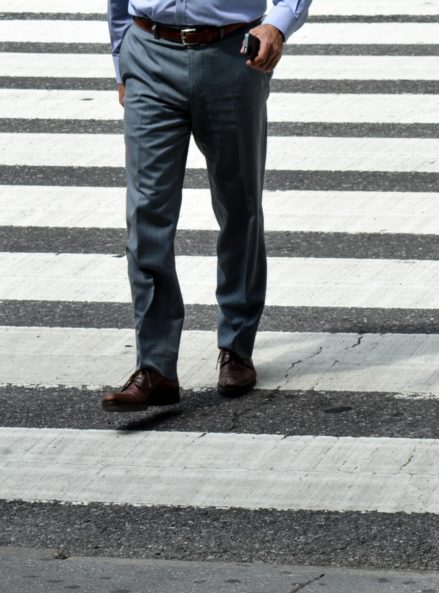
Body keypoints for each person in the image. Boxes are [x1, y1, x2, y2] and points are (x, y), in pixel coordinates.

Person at [101, 0, 310, 412]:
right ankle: (155, 366)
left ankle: (236, 347)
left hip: (231, 55)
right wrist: (120, 57)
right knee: (145, 215)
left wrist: (278, 27)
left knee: (239, 207)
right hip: (148, 53)